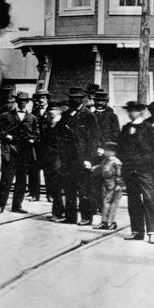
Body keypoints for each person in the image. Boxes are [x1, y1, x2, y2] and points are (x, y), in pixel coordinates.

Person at [118, 101, 154, 243]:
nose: (130, 113)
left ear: (140, 112)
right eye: (129, 111)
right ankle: (137, 231)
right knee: (133, 200)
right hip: (129, 170)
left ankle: (152, 232)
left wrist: (146, 160)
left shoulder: (148, 128)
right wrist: (124, 161)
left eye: (132, 110)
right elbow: (120, 148)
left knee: (149, 199)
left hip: (145, 170)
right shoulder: (126, 128)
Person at [57, 86, 102, 225]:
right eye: (71, 98)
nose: (73, 100)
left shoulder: (88, 115)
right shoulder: (66, 114)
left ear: (81, 99)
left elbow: (94, 139)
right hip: (68, 157)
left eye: (76, 98)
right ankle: (70, 217)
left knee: (84, 188)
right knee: (69, 187)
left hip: (82, 157)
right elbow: (59, 133)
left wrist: (89, 159)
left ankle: (86, 218)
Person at [0, 91, 40, 214]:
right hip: (10, 149)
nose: (22, 103)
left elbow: (37, 133)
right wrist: (6, 136)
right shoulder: (6, 116)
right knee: (6, 179)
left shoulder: (33, 118)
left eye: (24, 101)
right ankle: (0, 205)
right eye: (20, 101)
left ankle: (17, 205)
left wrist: (32, 139)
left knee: (22, 180)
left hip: (25, 151)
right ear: (17, 102)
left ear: (27, 102)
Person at [40, 99, 68, 221]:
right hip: (49, 161)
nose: (51, 117)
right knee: (53, 187)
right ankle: (56, 212)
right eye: (50, 114)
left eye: (54, 115)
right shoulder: (46, 127)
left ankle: (59, 213)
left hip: (59, 161)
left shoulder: (62, 128)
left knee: (58, 187)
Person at [87, 141, 123, 230]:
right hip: (107, 184)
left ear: (111, 151)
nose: (104, 152)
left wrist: (118, 185)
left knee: (111, 203)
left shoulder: (116, 162)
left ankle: (109, 222)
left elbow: (119, 174)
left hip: (114, 186)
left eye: (106, 150)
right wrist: (90, 168)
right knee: (106, 202)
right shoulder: (106, 161)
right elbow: (99, 168)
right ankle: (107, 222)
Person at [27, 89, 51, 200]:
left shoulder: (52, 112)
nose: (41, 100)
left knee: (49, 170)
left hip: (48, 145)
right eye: (39, 98)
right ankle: (34, 194)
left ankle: (50, 194)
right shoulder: (34, 112)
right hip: (36, 145)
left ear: (47, 99)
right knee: (33, 169)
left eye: (43, 98)